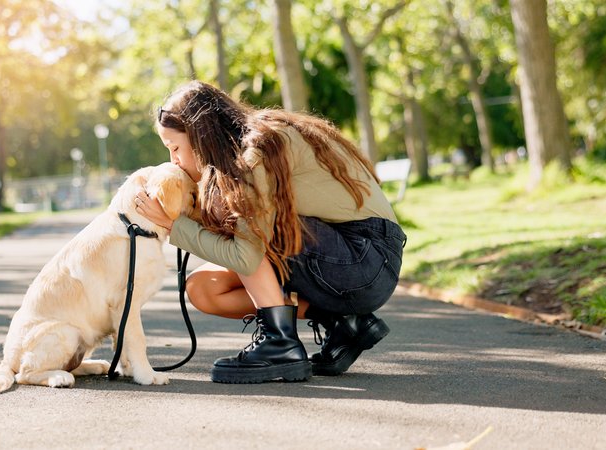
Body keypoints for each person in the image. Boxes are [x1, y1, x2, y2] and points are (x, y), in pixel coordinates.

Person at [134, 80, 406, 384]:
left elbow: (246, 257)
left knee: (247, 227)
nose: (174, 160)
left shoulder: (256, 153)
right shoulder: (245, 152)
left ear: (200, 135)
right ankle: (345, 322)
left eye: (175, 148)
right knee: (203, 288)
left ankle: (280, 345)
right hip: (350, 259)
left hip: (365, 259)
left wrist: (173, 226)